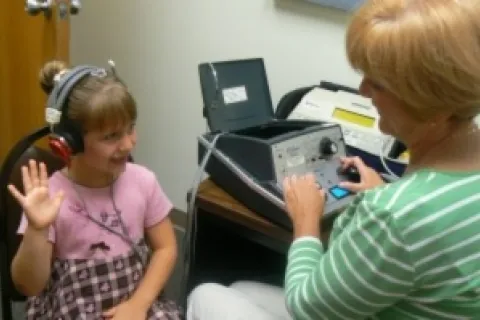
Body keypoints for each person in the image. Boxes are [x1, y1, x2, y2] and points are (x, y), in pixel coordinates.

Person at [186, 0, 480, 319]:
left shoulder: (393, 216)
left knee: (205, 295)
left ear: (434, 107)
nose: (363, 90)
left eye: (378, 83)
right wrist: (381, 193)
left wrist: (306, 223)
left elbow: (305, 306)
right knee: (242, 290)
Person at [8, 60, 182, 319]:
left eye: (130, 128)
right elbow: (28, 285)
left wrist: (138, 305)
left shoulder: (143, 182)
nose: (127, 144)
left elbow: (165, 248)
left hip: (134, 304)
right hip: (70, 308)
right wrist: (37, 229)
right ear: (69, 143)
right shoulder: (50, 198)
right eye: (111, 137)